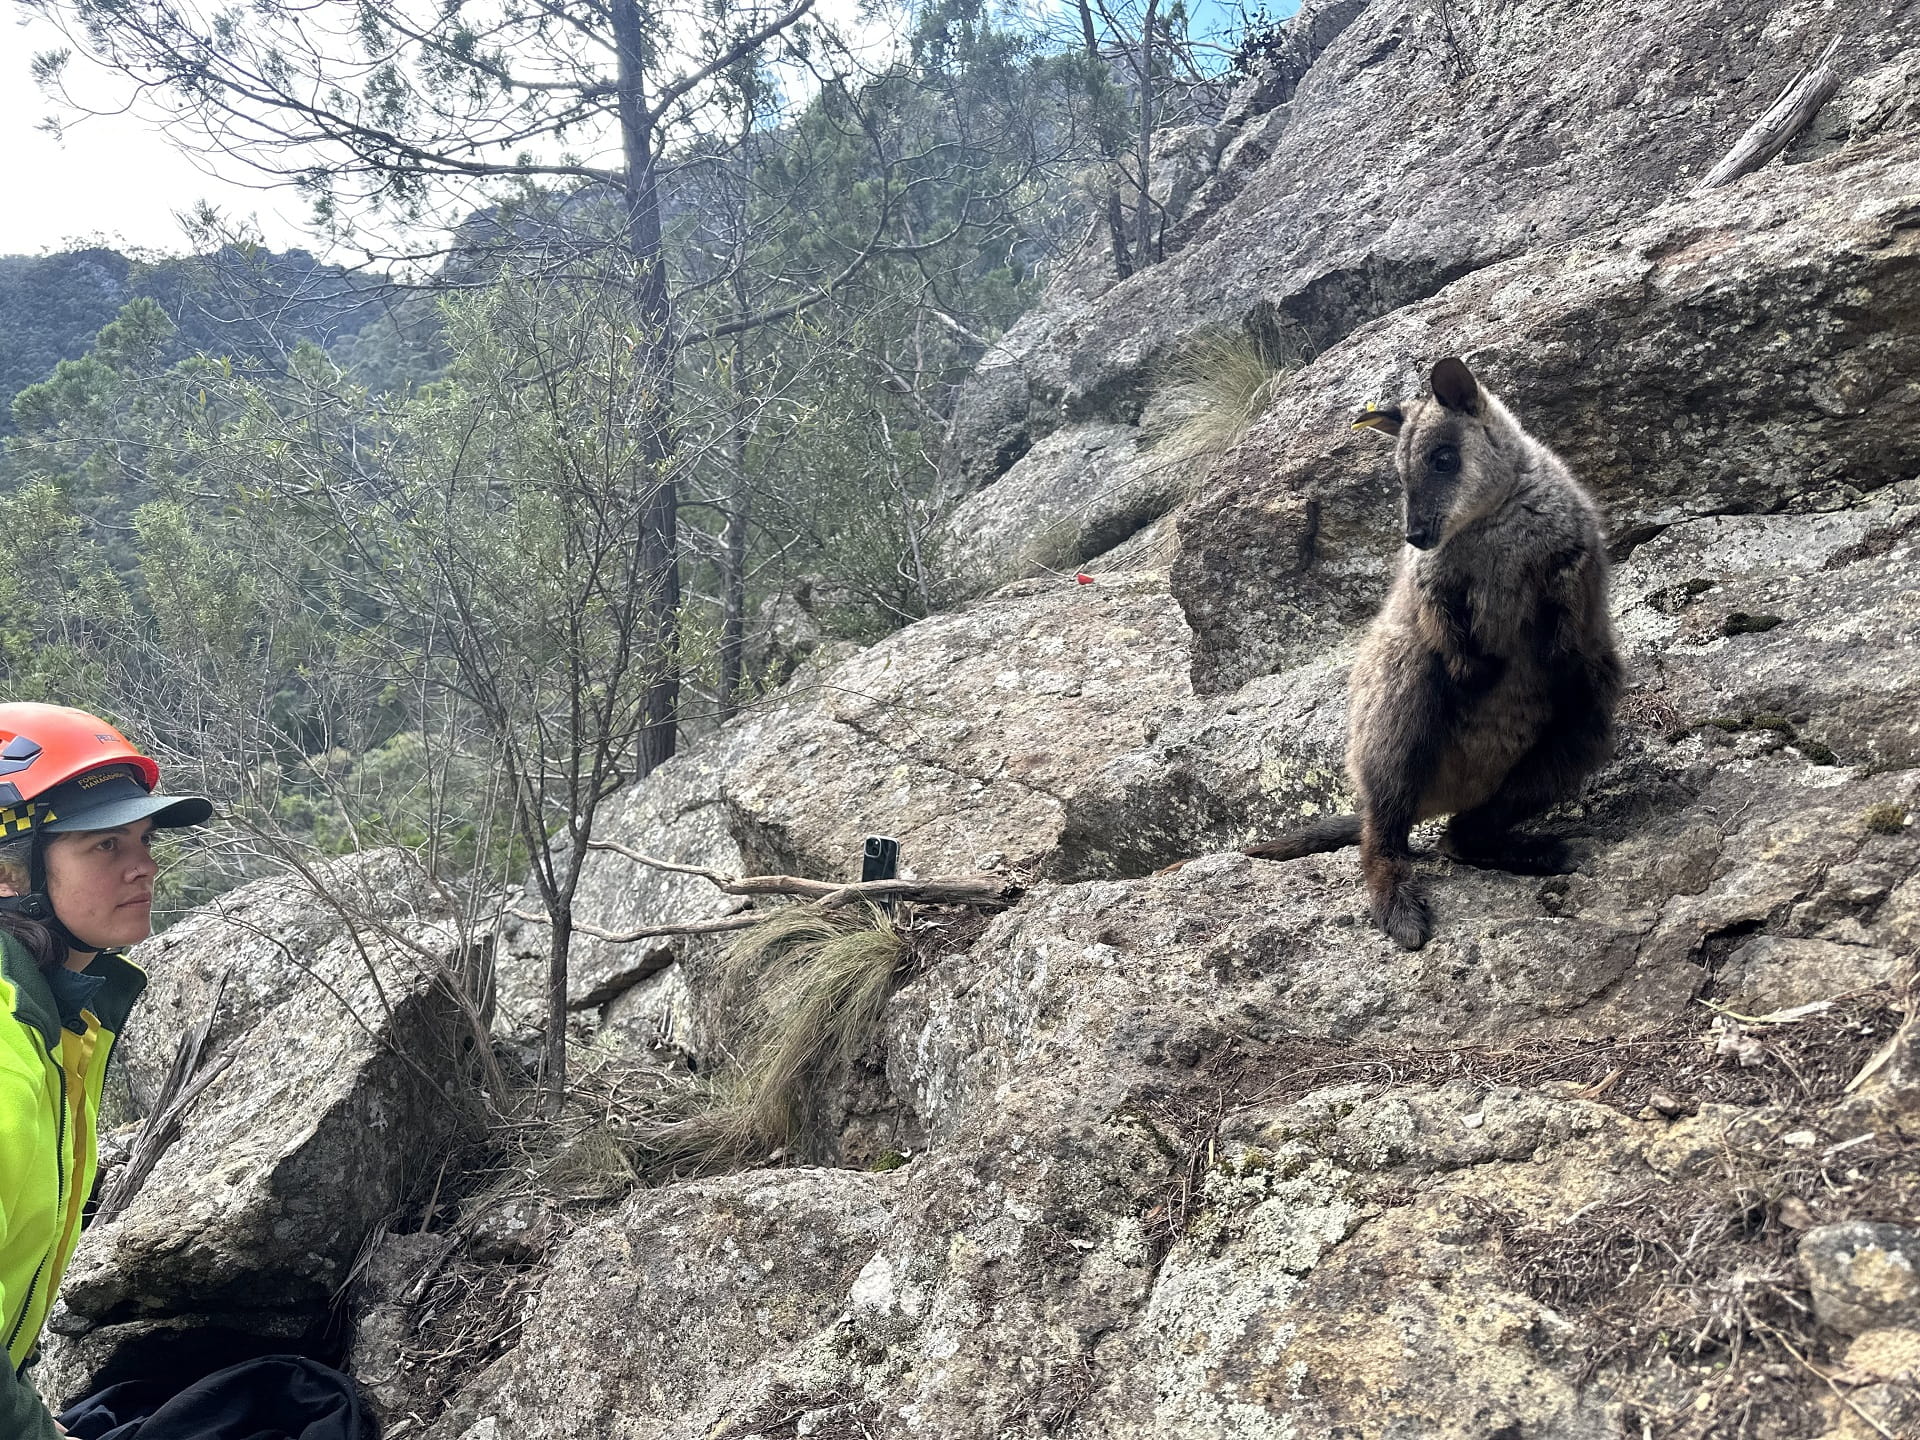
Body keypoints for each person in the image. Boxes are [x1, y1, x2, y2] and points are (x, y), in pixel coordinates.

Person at [0, 703, 211, 1440]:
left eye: (145, 838)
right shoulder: (7, 1045)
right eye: (105, 844)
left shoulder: (60, 1022)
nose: (143, 864)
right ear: (8, 873)